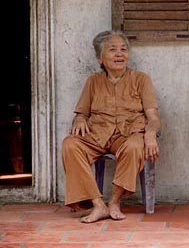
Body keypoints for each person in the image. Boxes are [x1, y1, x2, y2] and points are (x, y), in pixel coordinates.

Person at [62, 30, 161, 223]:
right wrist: (80, 120)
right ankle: (98, 205)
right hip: (97, 133)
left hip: (129, 133)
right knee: (70, 144)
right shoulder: (93, 81)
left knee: (134, 147)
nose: (119, 54)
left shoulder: (141, 79)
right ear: (100, 58)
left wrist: (150, 134)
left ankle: (114, 202)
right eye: (112, 50)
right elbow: (81, 113)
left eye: (123, 49)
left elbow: (154, 117)